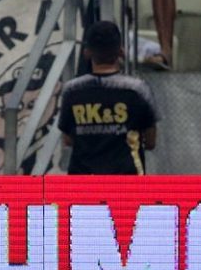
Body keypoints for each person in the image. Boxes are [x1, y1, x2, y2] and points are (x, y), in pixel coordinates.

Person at [58, 21, 160, 175]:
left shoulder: (71, 90)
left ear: (87, 52)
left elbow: (68, 140)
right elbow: (151, 142)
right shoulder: (138, 89)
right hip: (126, 184)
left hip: (83, 184)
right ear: (121, 51)